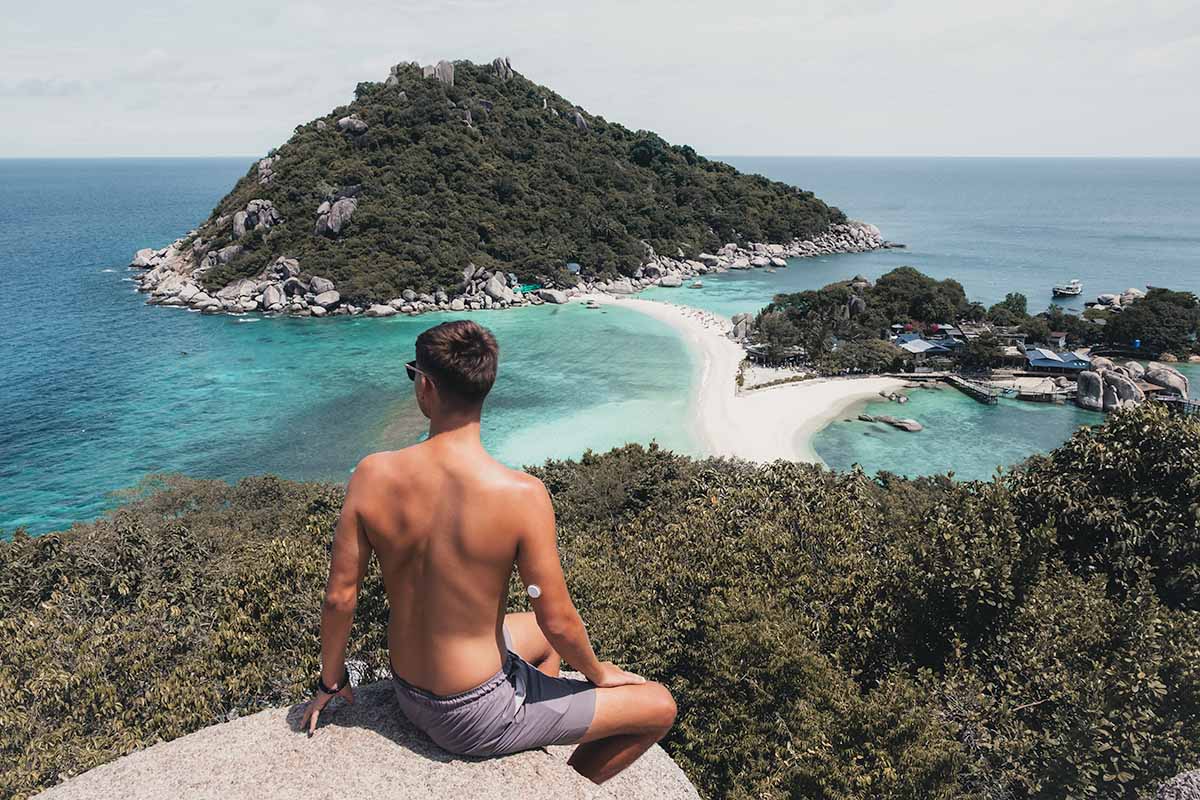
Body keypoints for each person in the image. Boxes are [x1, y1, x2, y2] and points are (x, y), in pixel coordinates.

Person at [299, 319, 676, 784]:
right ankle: (569, 787)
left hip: (407, 689)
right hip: (473, 715)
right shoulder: (521, 494)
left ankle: (545, 734)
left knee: (538, 642)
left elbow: (340, 597)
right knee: (660, 706)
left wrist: (329, 683)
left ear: (427, 386)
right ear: (485, 387)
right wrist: (599, 674)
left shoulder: (372, 474)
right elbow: (556, 618)